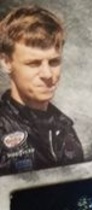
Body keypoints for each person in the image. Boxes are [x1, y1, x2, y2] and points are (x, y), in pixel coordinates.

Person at [0, 5, 83, 175]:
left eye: (54, 62)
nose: (47, 74)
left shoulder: (65, 128)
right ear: (6, 63)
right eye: (34, 63)